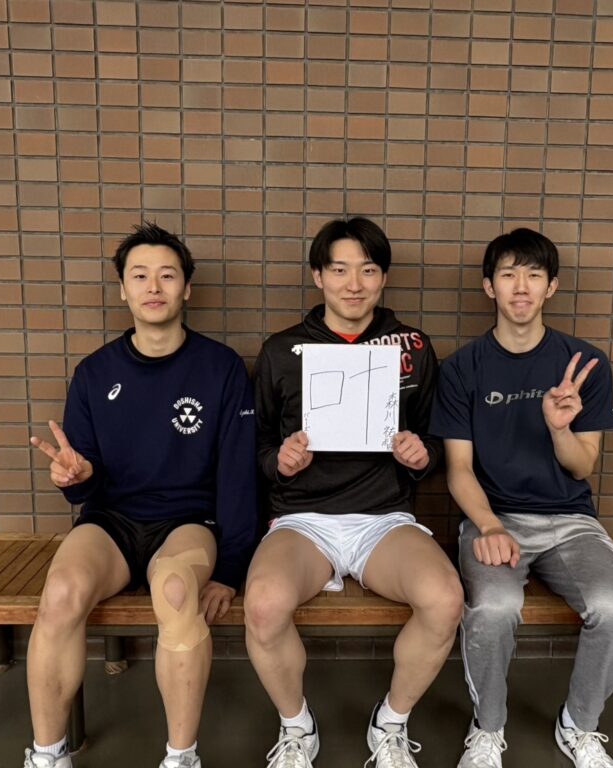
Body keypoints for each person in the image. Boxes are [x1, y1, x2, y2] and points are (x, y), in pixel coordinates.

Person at [24, 223, 257, 768]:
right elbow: (84, 483)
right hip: (111, 521)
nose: (154, 286)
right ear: (123, 290)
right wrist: (75, 477)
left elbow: (239, 476)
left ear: (187, 289)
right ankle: (47, 754)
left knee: (175, 592)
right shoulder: (94, 372)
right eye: (140, 276)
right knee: (60, 594)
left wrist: (232, 568)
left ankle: (181, 756)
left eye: (167, 275)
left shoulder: (221, 368)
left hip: (187, 522)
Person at [430, 227, 613, 768]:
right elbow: (458, 469)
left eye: (533, 275)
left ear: (551, 286)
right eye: (508, 274)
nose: (521, 286)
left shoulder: (584, 363)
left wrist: (559, 428)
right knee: (494, 609)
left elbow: (582, 465)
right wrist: (488, 525)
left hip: (570, 521)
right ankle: (488, 729)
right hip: (493, 517)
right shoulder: (462, 368)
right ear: (489, 286)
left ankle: (579, 725)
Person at [246, 216, 463, 768]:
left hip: (383, 518)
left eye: (367, 270)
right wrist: (279, 461)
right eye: (339, 269)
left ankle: (390, 723)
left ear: (383, 277)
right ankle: (297, 727)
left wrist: (422, 455)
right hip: (303, 519)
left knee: (445, 600)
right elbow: (259, 445)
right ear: (318, 276)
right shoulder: (282, 350)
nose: (354, 284)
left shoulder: (411, 346)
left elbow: (435, 441)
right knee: (264, 605)